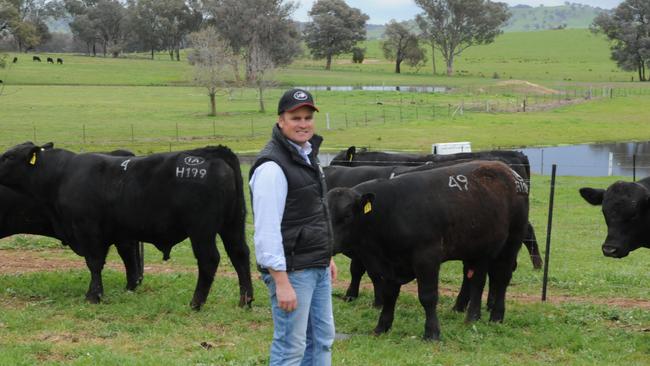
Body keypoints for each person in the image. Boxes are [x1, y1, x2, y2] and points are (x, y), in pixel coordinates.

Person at [249, 88, 337, 366]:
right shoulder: (272, 167)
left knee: (322, 340)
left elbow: (313, 213)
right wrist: (280, 280)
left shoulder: (306, 155)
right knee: (292, 348)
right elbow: (266, 230)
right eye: (295, 117)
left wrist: (327, 256)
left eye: (308, 117)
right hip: (293, 271)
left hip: (316, 265)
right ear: (280, 120)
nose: (303, 123)